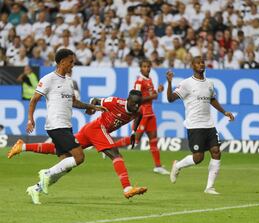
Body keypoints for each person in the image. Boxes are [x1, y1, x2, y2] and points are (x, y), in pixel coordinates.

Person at [8, 90, 148, 204]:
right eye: (134, 103)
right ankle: (127, 188)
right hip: (96, 128)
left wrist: (134, 132)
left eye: (138, 104)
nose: (136, 106)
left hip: (92, 132)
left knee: (61, 153)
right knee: (116, 155)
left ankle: (24, 152)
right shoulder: (115, 102)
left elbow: (139, 117)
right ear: (128, 99)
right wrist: (91, 110)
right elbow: (95, 100)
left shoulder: (138, 111)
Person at [24, 48, 107, 204]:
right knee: (80, 157)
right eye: (71, 62)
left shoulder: (69, 81)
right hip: (55, 125)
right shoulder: (48, 79)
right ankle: (46, 173)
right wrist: (30, 119)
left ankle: (35, 189)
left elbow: (74, 102)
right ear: (62, 62)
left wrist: (92, 107)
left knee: (65, 166)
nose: (73, 65)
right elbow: (34, 99)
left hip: (66, 126)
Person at [166, 56, 235, 194]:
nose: (201, 64)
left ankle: (209, 187)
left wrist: (224, 112)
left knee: (216, 152)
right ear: (192, 66)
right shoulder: (186, 83)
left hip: (209, 124)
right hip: (194, 125)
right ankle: (178, 165)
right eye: (198, 63)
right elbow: (170, 99)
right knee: (199, 157)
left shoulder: (209, 83)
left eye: (202, 62)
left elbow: (212, 99)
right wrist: (169, 83)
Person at [113, 59, 169, 175]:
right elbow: (136, 99)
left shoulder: (149, 80)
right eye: (144, 66)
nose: (147, 68)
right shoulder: (139, 81)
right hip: (142, 113)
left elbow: (152, 95)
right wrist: (152, 96)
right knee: (136, 140)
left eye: (148, 66)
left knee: (153, 140)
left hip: (150, 113)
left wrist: (158, 91)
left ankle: (158, 166)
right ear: (140, 68)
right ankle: (110, 146)